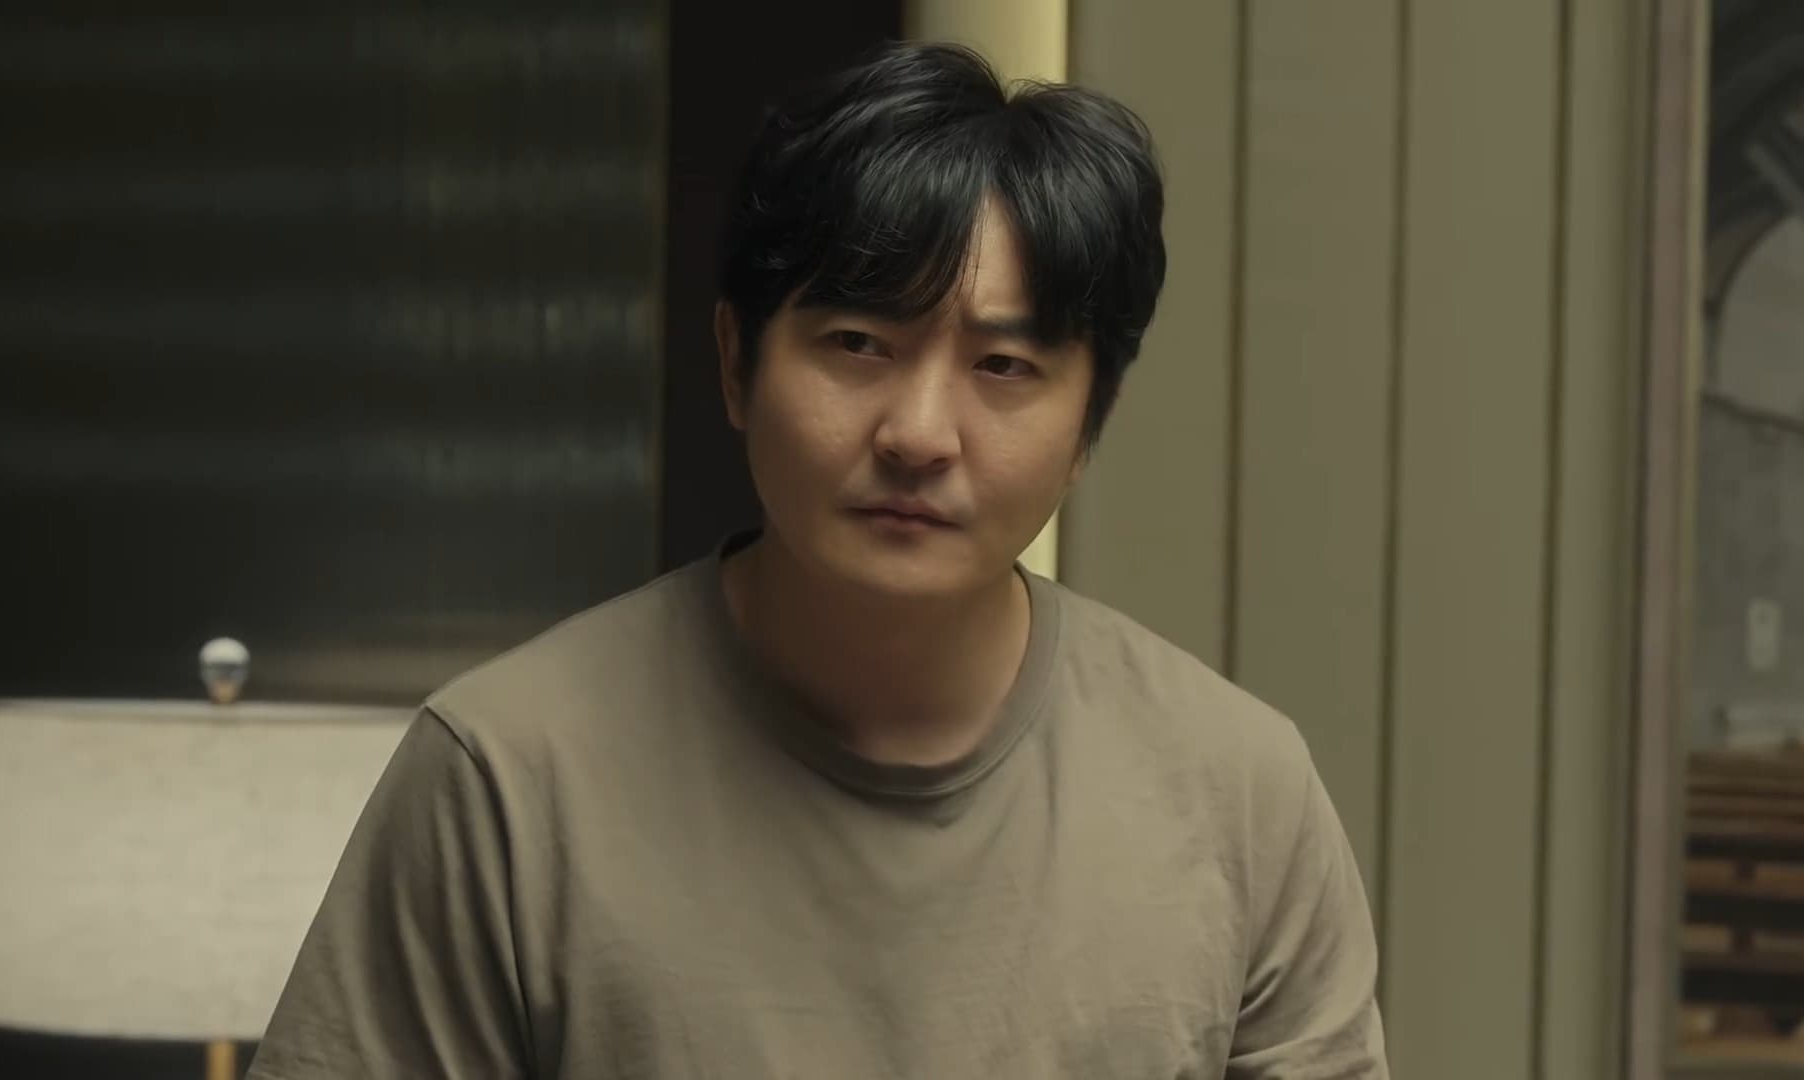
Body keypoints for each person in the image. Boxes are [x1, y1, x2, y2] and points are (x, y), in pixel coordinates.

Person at [248, 41, 1388, 1080]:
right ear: (736, 364)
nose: (919, 434)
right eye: (858, 343)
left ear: (1092, 421)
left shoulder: (1237, 793)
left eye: (1003, 367)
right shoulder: (506, 778)